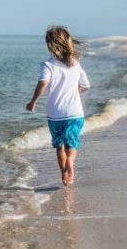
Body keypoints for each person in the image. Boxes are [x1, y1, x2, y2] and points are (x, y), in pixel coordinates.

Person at [25, 26, 90, 186]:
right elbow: (86, 85)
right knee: (72, 144)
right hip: (75, 113)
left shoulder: (48, 64)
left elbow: (43, 83)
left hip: (55, 114)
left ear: (50, 44)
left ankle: (64, 176)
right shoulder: (75, 63)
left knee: (59, 146)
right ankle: (70, 163)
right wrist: (74, 92)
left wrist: (33, 101)